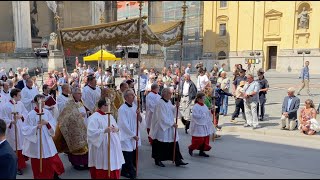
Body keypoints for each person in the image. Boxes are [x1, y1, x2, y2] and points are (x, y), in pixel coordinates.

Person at [22, 94, 64, 179]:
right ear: (36, 103)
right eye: (41, 101)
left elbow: (53, 123)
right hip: (37, 142)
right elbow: (25, 129)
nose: (43, 103)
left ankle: (53, 174)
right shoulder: (31, 114)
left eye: (44, 101)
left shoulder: (47, 112)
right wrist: (36, 127)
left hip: (47, 140)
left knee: (51, 158)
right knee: (39, 161)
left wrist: (47, 123)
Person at [87, 99, 125, 179]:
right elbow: (91, 132)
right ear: (102, 106)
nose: (109, 107)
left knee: (113, 164)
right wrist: (104, 131)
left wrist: (116, 129)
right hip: (102, 146)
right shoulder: (94, 117)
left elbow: (116, 127)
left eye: (109, 105)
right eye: (107, 105)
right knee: (104, 165)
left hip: (112, 145)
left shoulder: (110, 116)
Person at [150, 88, 188, 167]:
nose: (171, 95)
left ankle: (177, 159)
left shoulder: (168, 102)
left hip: (169, 126)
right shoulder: (160, 103)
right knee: (161, 144)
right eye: (170, 93)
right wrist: (172, 124)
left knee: (174, 142)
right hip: (162, 127)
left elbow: (172, 110)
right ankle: (158, 159)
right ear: (164, 94)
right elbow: (161, 117)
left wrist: (176, 107)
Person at [55, 87, 89, 171]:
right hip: (74, 128)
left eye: (80, 93)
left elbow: (84, 110)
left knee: (85, 145)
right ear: (73, 94)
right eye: (78, 93)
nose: (80, 94)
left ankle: (85, 163)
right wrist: (78, 116)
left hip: (83, 126)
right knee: (76, 146)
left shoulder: (80, 102)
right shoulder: (69, 103)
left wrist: (87, 113)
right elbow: (65, 116)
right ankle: (76, 163)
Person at [1, 88, 28, 175]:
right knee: (15, 147)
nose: (21, 97)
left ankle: (22, 163)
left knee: (21, 145)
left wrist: (21, 116)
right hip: (12, 129)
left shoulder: (20, 103)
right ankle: (17, 166)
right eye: (19, 95)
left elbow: (25, 112)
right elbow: (3, 119)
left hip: (20, 128)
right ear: (14, 96)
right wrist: (11, 121)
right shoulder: (5, 106)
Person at [118, 89, 142, 179]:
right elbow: (123, 124)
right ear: (126, 97)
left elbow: (140, 120)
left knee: (132, 153)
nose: (133, 97)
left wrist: (139, 115)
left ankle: (124, 171)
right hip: (126, 135)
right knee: (128, 153)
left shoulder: (135, 107)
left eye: (133, 95)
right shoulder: (122, 109)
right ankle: (131, 172)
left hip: (134, 134)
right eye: (132, 95)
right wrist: (132, 135)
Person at [188, 92, 215, 157]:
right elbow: (195, 115)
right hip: (198, 125)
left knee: (205, 138)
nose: (204, 99)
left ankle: (201, 151)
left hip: (204, 124)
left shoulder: (204, 105)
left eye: (204, 98)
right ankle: (191, 148)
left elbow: (207, 113)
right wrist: (203, 116)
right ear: (199, 99)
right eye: (203, 98)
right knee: (199, 139)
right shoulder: (195, 107)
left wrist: (211, 111)